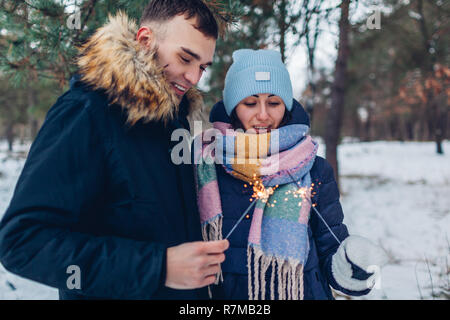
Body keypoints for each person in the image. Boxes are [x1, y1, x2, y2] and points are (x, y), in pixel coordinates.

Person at [0, 0, 229, 300]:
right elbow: (22, 242)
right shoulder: (85, 114)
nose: (193, 77)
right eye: (185, 58)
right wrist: (158, 267)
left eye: (202, 67)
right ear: (146, 40)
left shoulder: (178, 123)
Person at [194, 49, 387, 300]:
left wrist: (354, 266)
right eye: (250, 103)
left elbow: (331, 250)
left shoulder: (315, 169)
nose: (263, 114)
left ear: (286, 107)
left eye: (274, 103)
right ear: (233, 109)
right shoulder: (207, 165)